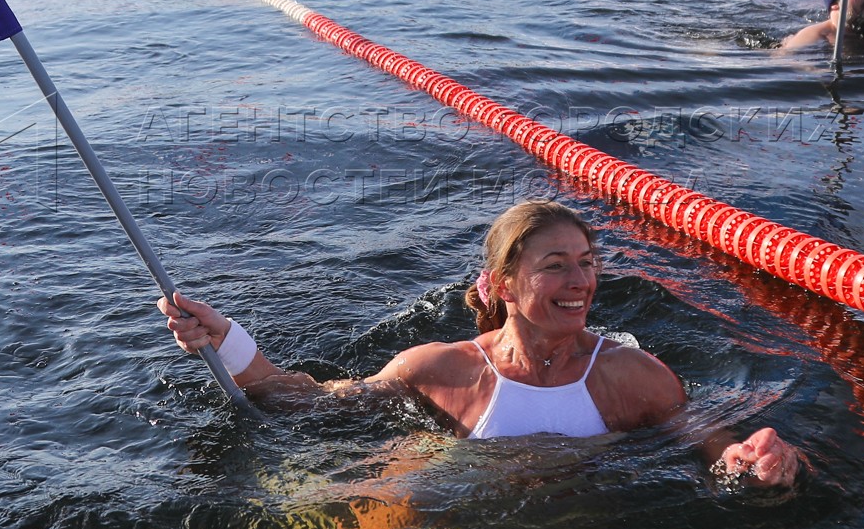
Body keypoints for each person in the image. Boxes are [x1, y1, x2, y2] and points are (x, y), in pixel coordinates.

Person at [158, 199, 801, 487]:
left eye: (587, 261)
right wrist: (229, 342)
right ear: (502, 284)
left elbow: (706, 440)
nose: (580, 281)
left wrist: (751, 460)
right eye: (555, 265)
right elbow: (307, 400)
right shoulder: (443, 370)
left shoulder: (633, 375)